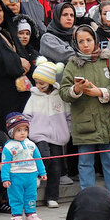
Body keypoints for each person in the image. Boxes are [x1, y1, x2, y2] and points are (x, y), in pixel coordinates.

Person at [61, 25, 110, 203]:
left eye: (89, 40)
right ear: (75, 43)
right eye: (81, 41)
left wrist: (100, 92)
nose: (85, 45)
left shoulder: (108, 60)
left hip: (108, 121)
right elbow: (63, 92)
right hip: (84, 122)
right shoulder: (72, 64)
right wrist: (76, 89)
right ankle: (87, 195)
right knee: (85, 163)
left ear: (95, 40)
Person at [23, 59, 70, 208]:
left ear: (50, 81)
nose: (39, 85)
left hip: (57, 136)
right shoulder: (34, 96)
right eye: (37, 82)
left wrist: (67, 131)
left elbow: (69, 117)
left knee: (56, 166)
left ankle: (52, 197)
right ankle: (37, 173)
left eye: (42, 82)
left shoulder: (60, 96)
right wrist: (29, 131)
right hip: (39, 134)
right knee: (44, 155)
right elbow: (26, 116)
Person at [0, 113, 45, 220]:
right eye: (19, 130)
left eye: (25, 129)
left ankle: (31, 215)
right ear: (11, 132)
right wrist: (5, 178)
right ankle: (16, 216)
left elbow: (38, 159)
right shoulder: (9, 147)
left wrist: (42, 172)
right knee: (16, 196)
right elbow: (5, 164)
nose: (23, 132)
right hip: (16, 176)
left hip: (31, 175)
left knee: (31, 195)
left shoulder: (31, 144)